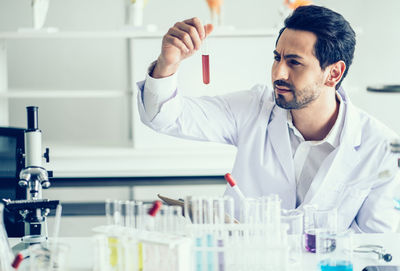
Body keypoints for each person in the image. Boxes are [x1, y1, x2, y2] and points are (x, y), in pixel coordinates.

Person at [137, 5, 400, 232]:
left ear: (333, 74)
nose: (278, 73)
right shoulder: (253, 109)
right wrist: (168, 63)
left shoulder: (381, 148)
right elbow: (165, 116)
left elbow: (376, 247)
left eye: (294, 62)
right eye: (277, 58)